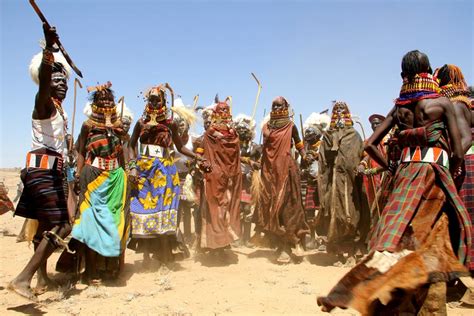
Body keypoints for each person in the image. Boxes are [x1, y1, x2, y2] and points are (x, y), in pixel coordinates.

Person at [317, 50, 472, 315]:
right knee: (429, 240)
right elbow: (458, 151)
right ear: (428, 71)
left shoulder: (400, 107)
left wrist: (392, 166)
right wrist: (450, 172)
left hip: (403, 177)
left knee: (393, 238)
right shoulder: (440, 104)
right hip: (433, 177)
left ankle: (364, 294)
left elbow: (370, 144)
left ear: (405, 75)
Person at [9, 24, 72, 300]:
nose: (62, 83)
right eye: (56, 79)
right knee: (63, 226)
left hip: (51, 172)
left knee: (47, 227)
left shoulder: (58, 111)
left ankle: (42, 278)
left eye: (64, 79)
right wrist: (49, 51)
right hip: (42, 171)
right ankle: (23, 278)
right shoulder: (43, 104)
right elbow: (45, 80)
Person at [128, 84, 202, 266]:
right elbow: (130, 145)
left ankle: (165, 255)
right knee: (142, 210)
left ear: (163, 101)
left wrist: (198, 156)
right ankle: (146, 255)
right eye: (150, 99)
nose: (153, 102)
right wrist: (132, 167)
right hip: (144, 172)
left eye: (156, 99)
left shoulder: (170, 123)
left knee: (163, 212)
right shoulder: (140, 122)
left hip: (165, 171)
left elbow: (180, 147)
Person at [70, 82, 130, 284]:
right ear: (94, 103)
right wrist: (78, 174)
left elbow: (126, 145)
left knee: (115, 221)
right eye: (101, 99)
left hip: (115, 177)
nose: (106, 102)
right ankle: (90, 270)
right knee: (90, 220)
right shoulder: (88, 125)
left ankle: (110, 268)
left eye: (109, 99)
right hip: (93, 174)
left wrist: (121, 134)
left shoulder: (119, 125)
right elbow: (80, 149)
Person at [253, 96, 310, 263]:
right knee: (272, 208)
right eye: (274, 106)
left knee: (289, 207)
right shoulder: (266, 127)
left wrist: (305, 155)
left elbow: (299, 144)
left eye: (279, 106)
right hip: (270, 172)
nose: (277, 109)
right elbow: (265, 149)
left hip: (287, 170)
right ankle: (279, 245)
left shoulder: (291, 126)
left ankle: (291, 243)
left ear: (286, 106)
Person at [316, 101, 369, 265]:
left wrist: (362, 164)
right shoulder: (327, 136)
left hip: (351, 183)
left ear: (347, 112)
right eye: (336, 109)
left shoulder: (355, 135)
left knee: (352, 216)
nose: (339, 112)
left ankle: (352, 252)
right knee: (335, 216)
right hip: (333, 183)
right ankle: (338, 252)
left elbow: (365, 154)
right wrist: (323, 185)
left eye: (342, 109)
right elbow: (322, 162)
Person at [196, 96, 242, 257]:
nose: (224, 112)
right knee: (215, 211)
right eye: (220, 110)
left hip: (230, 178)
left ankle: (224, 244)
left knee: (227, 208)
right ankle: (214, 246)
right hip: (214, 178)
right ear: (215, 113)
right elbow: (200, 154)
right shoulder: (210, 133)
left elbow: (236, 156)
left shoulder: (233, 133)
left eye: (226, 110)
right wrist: (202, 163)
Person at [301, 112, 330, 249]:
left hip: (322, 183)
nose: (307, 135)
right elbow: (302, 166)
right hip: (310, 183)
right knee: (309, 213)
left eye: (310, 133)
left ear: (318, 134)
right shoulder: (304, 148)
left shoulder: (324, 145)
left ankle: (323, 239)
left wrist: (317, 156)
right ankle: (312, 238)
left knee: (323, 212)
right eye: (306, 132)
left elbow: (328, 161)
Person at [234, 114, 261, 247]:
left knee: (247, 209)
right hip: (237, 180)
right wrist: (245, 159)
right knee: (238, 209)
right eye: (240, 131)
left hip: (250, 181)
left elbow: (261, 161)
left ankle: (247, 238)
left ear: (250, 132)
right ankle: (239, 237)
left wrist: (254, 167)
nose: (242, 133)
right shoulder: (234, 146)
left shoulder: (255, 147)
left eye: (245, 130)